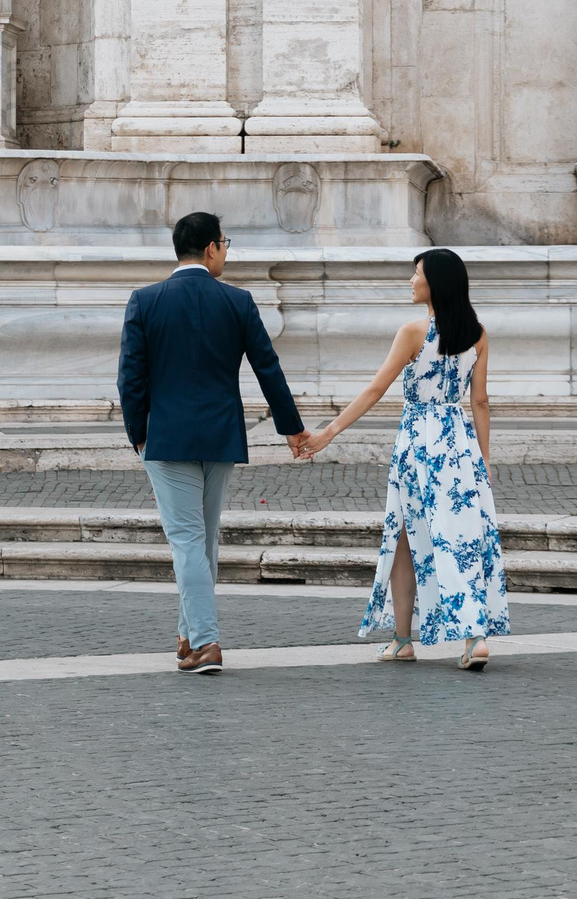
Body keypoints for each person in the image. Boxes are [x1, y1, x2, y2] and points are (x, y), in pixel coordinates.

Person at [293, 248, 507, 670]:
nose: (411, 281)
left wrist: (328, 433)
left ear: (435, 284)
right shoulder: (478, 333)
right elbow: (480, 402)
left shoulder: (413, 332)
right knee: (460, 534)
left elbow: (375, 391)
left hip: (419, 441)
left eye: (417, 274)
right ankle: (470, 637)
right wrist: (483, 459)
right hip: (459, 441)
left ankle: (408, 639)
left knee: (405, 537)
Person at [117, 212, 307, 674]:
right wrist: (292, 428)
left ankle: (205, 642)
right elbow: (269, 369)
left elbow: (131, 379)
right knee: (202, 541)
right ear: (210, 249)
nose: (226, 250)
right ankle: (188, 635)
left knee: (187, 540)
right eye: (226, 242)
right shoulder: (238, 302)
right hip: (220, 434)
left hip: (167, 436)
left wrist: (138, 433)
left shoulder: (145, 301)